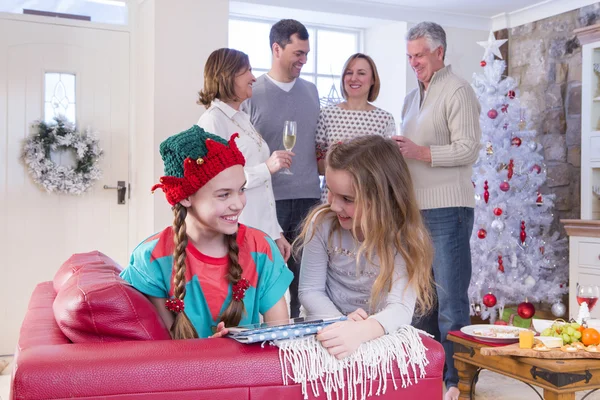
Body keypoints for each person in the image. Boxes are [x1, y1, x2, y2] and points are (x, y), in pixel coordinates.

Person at [120, 126, 293, 339]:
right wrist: (210, 353)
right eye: (223, 195)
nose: (238, 204)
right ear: (185, 197)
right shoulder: (152, 258)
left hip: (249, 371)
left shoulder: (261, 248)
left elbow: (281, 338)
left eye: (241, 189)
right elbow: (161, 349)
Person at [394, 21, 481, 400]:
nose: (414, 62)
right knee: (423, 302)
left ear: (439, 52)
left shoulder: (458, 90)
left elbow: (468, 149)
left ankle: (459, 383)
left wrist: (420, 152)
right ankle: (429, 378)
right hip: (416, 213)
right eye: (410, 56)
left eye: (420, 55)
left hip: (449, 210)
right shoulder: (411, 98)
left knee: (450, 303)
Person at [297, 135, 435, 359]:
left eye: (347, 199)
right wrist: (341, 325)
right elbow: (310, 291)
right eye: (330, 191)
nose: (334, 205)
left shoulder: (405, 237)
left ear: (383, 198)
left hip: (378, 332)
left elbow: (400, 308)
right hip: (326, 326)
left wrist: (361, 331)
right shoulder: (322, 225)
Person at [241, 19, 321, 318]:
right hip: (267, 201)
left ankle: (302, 346)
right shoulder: (253, 92)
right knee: (267, 277)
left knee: (306, 278)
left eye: (306, 54)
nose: (303, 60)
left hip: (309, 198)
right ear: (277, 48)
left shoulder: (312, 91)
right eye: (298, 53)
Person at [197, 48, 292, 261]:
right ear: (227, 76)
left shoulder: (242, 117)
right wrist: (266, 168)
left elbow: (263, 189)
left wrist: (276, 233)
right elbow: (216, 182)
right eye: (247, 71)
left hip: (261, 229)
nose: (254, 77)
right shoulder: (213, 121)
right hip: (238, 227)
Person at [315, 53, 395, 201]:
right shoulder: (326, 114)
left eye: (361, 73)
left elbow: (386, 168)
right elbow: (319, 167)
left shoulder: (385, 119)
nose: (353, 78)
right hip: (332, 199)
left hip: (369, 201)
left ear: (372, 80)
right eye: (349, 73)